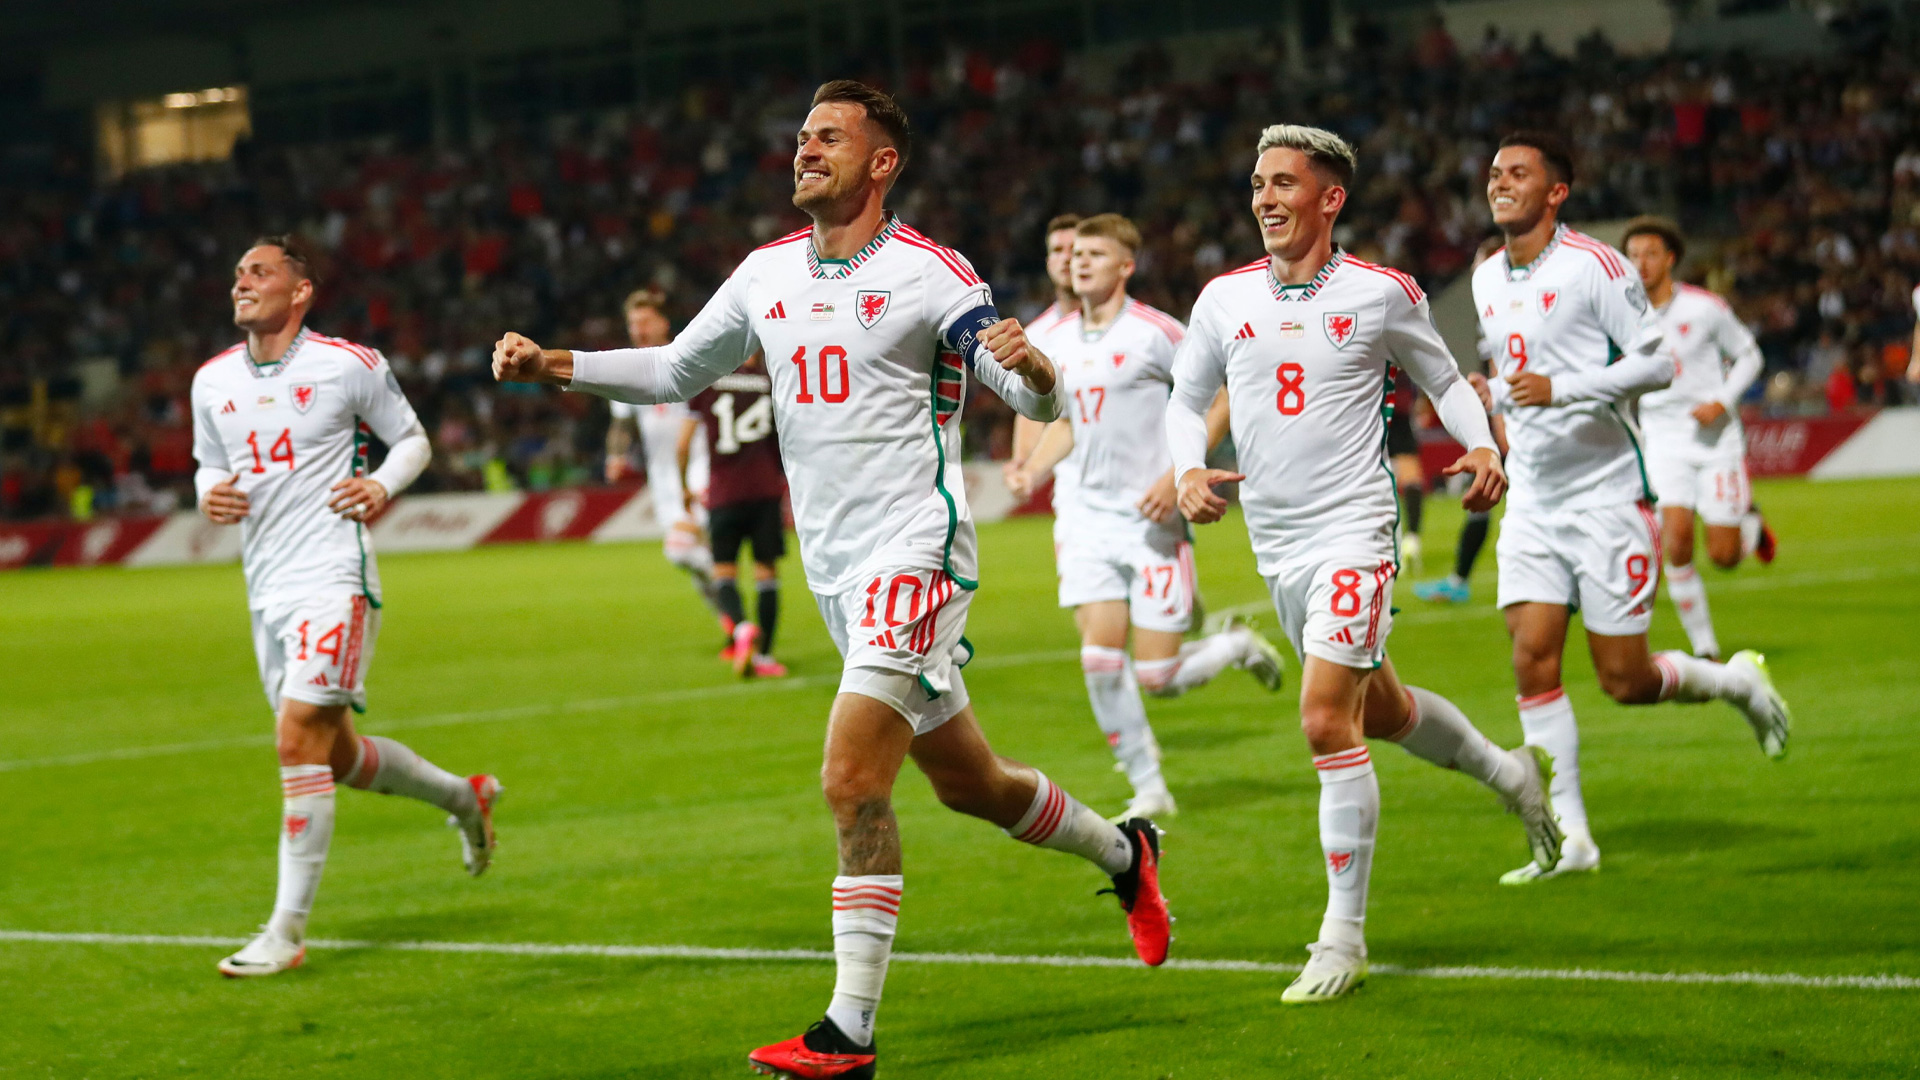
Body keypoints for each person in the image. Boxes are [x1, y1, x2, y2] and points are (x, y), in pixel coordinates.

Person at [492, 80, 1170, 1078]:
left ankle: (847, 1031)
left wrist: (1037, 375)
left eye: (829, 138)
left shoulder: (932, 272)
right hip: (838, 573)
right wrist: (556, 364)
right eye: (803, 135)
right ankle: (1126, 853)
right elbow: (677, 369)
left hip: (917, 554)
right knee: (971, 784)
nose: (806, 150)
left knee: (852, 779)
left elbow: (1009, 377)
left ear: (881, 161)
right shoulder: (765, 273)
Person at [1170, 125, 1562, 1005]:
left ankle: (1341, 936)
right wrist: (1189, 465)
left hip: (1355, 534)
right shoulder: (1224, 298)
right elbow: (1187, 397)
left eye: (1282, 183)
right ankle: (1509, 772)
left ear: (1329, 198)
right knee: (1377, 708)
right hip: (1277, 547)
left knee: (1322, 719)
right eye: (1257, 182)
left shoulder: (1380, 293)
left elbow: (1447, 379)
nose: (1264, 197)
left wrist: (1483, 445)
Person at [1472, 132, 1791, 885]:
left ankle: (1736, 681)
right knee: (1531, 658)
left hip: (1608, 494)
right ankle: (1571, 837)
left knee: (1625, 679)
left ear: (1557, 192)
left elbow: (1656, 362)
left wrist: (1564, 386)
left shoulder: (1595, 266)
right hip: (1536, 500)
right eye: (1494, 173)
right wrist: (1492, 438)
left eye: (1519, 173)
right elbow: (1503, 372)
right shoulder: (1486, 278)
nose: (1500, 183)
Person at [193, 237, 500, 978]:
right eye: (237, 272)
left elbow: (413, 443)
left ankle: (285, 932)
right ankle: (464, 797)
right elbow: (208, 461)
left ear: (301, 292)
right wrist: (208, 492)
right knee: (331, 754)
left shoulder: (347, 365)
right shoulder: (211, 381)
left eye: (259, 272)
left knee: (296, 739)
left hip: (334, 578)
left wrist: (381, 487)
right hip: (263, 587)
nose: (242, 282)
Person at [1009, 213, 1284, 821]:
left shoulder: (1156, 332)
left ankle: (1234, 645)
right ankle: (1148, 785)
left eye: (1095, 254)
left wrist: (1177, 474)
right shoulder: (1050, 340)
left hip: (1149, 521)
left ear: (1125, 266)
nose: (1079, 262)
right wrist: (1029, 466)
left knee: (1158, 674)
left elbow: (1222, 394)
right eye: (1075, 254)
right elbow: (1061, 423)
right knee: (1099, 659)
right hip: (1083, 520)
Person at [1624, 217, 1775, 662]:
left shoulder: (1704, 307)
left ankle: (1751, 525)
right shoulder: (1622, 316)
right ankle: (1706, 649)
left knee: (1725, 556)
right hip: (1663, 440)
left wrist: (1722, 401)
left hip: (1714, 441)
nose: (1641, 264)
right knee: (1677, 543)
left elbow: (1750, 355)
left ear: (1670, 259)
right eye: (1633, 256)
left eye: (1650, 254)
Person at [605, 288, 718, 615]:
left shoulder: (686, 359)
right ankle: (732, 623)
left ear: (663, 323)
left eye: (644, 321)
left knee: (680, 550)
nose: (637, 329)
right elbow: (621, 422)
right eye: (632, 323)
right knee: (695, 556)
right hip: (663, 478)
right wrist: (616, 456)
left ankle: (732, 600)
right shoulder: (625, 367)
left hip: (699, 468)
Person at [683, 352, 789, 677]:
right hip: (764, 488)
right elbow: (784, 438)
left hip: (723, 493)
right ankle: (766, 658)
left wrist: (683, 486)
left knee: (723, 573)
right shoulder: (770, 382)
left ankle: (741, 628)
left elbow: (682, 443)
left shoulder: (709, 381)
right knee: (766, 574)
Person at [1415, 236, 1506, 604]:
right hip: (1505, 416)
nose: (1473, 273)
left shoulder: (1503, 310)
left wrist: (1499, 429)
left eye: (1480, 265)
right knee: (1482, 500)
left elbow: (1502, 369)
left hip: (1519, 421)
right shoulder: (1488, 311)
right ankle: (1459, 580)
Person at [1005, 214, 1083, 542]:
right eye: (1058, 250)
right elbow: (1030, 407)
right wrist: (1023, 463)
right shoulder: (1036, 337)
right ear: (1048, 262)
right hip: (1074, 493)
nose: (1066, 257)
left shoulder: (1139, 329)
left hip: (1141, 480)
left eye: (1075, 249)